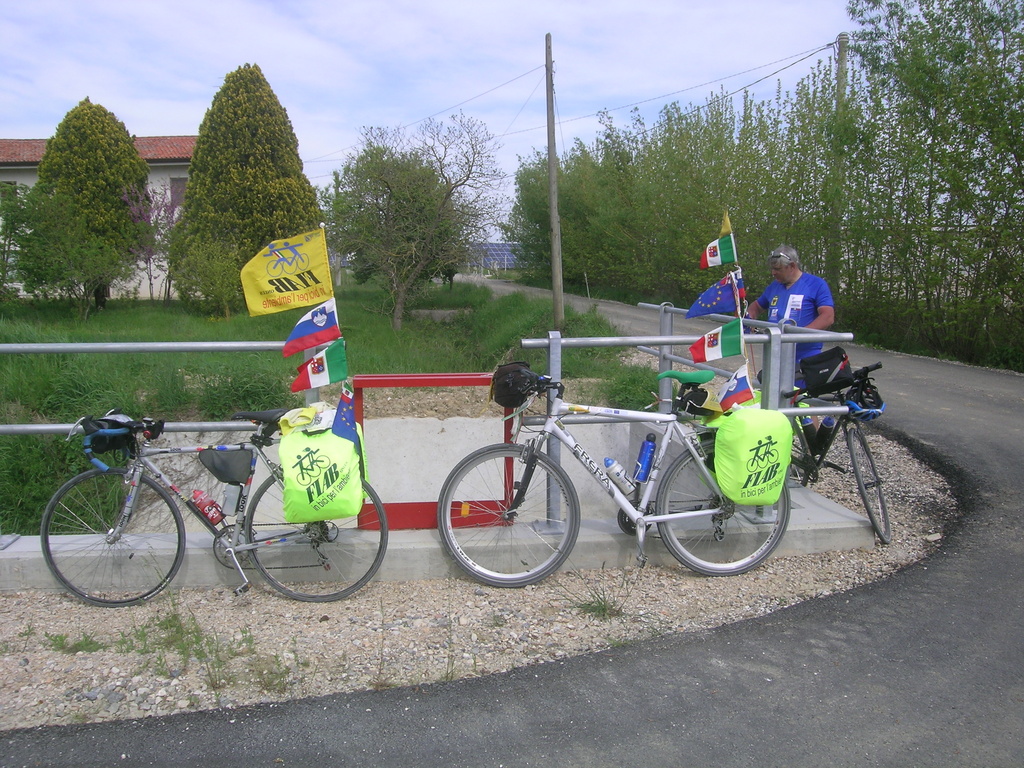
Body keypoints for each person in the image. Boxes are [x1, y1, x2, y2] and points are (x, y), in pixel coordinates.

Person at [745, 244, 835, 371]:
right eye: (772, 269)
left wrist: (798, 336)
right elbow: (756, 307)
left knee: (798, 390)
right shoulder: (774, 286)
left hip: (804, 356)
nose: (773, 273)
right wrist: (748, 318)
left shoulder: (816, 284)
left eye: (778, 269)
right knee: (770, 388)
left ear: (792, 266)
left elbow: (828, 317)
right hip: (775, 352)